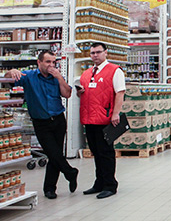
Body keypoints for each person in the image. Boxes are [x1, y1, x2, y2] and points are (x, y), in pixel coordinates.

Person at [5, 50, 78, 199]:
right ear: (39, 62)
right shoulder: (29, 76)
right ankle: (70, 172)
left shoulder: (56, 77)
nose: (51, 65)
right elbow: (8, 80)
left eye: (53, 62)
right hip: (41, 122)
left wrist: (59, 77)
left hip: (58, 120)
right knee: (53, 152)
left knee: (55, 155)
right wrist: (11, 71)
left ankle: (50, 189)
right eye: (48, 62)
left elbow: (67, 94)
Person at [77, 42, 125, 199]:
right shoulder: (87, 73)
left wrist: (115, 114)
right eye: (92, 53)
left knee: (106, 153)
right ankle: (99, 183)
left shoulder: (115, 71)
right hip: (89, 119)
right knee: (96, 152)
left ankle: (110, 185)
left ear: (106, 53)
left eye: (98, 52)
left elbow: (120, 93)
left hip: (105, 119)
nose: (95, 55)